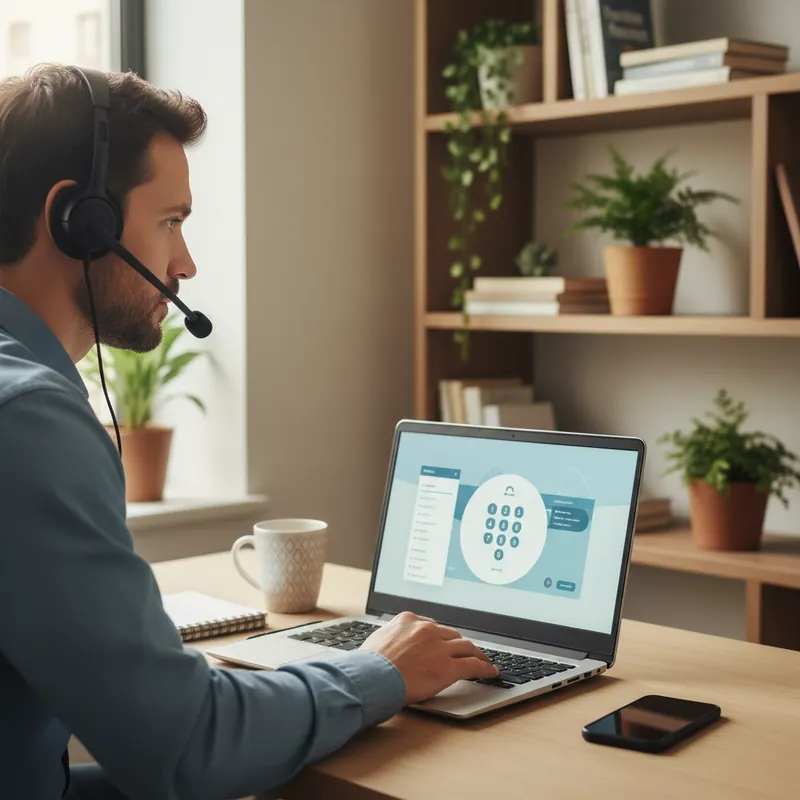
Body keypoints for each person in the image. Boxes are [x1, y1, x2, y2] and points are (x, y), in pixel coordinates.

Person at [0, 64, 499, 800]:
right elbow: (187, 747)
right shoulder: (29, 420)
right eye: (170, 221)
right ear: (80, 219)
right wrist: (380, 670)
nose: (184, 263)